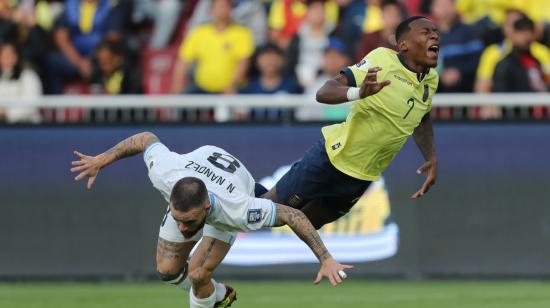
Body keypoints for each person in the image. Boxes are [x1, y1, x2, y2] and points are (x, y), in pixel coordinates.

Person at [70, 132, 352, 308]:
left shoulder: (237, 210)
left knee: (197, 273)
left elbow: (292, 214)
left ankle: (206, 293)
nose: (182, 229)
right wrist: (101, 160)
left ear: (205, 209)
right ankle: (219, 295)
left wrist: (325, 257)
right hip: (198, 176)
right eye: (178, 219)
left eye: (188, 222)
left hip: (231, 191)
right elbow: (146, 138)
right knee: (168, 271)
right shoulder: (165, 172)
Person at [261, 16, 440, 229]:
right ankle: (221, 205)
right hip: (333, 159)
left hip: (362, 178)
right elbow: (324, 92)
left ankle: (235, 197)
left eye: (435, 31)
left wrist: (430, 156)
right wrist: (359, 92)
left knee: (302, 223)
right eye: (425, 32)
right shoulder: (383, 59)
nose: (434, 35)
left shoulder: (431, 79)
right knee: (267, 210)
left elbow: (422, 116)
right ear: (404, 45)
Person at [171, 0, 254, 94]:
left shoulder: (242, 33)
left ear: (231, 10)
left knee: (239, 101)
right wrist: (177, 88)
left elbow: (243, 62)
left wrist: (232, 85)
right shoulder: (199, 33)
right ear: (211, 11)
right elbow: (183, 62)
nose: (221, 11)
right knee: (185, 101)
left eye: (224, 7)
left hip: (231, 89)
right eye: (218, 7)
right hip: (202, 88)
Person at [492, 16, 550, 93]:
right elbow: (501, 95)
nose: (526, 38)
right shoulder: (504, 65)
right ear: (513, 35)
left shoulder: (537, 61)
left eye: (529, 33)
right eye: (522, 33)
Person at [0, 41, 42, 124]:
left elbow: (32, 104)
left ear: (17, 56)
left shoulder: (28, 76)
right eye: (3, 54)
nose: (7, 57)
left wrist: (7, 113)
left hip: (25, 126)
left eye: (10, 54)